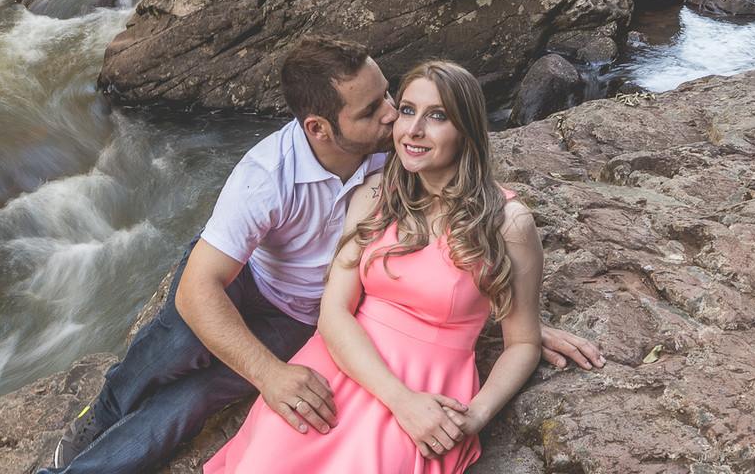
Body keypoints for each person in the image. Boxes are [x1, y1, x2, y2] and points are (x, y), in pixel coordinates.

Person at [44, 35, 602, 474]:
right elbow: (197, 290)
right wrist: (269, 376)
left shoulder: (396, 156)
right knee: (167, 350)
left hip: (307, 317)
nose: (393, 117)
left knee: (196, 398)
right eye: (380, 109)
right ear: (321, 128)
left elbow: (455, 248)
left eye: (392, 97)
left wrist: (508, 313)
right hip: (253, 284)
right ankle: (104, 415)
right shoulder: (269, 176)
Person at [205, 60, 541, 473]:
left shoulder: (509, 223)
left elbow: (523, 342)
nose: (413, 130)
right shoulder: (373, 195)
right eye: (406, 110)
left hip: (430, 387)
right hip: (340, 364)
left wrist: (475, 415)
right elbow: (333, 312)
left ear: (466, 128)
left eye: (437, 116)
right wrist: (398, 399)